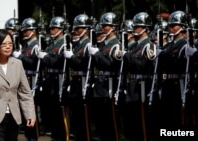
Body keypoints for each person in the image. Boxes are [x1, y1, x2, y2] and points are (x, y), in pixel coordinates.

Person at [87, 12, 122, 141]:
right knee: (101, 123)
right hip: (100, 87)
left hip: (109, 87)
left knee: (109, 123)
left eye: (106, 25)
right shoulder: (103, 45)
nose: (103, 27)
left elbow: (111, 65)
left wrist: (97, 54)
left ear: (113, 27)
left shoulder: (116, 45)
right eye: (103, 25)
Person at [122, 12, 157, 141]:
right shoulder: (135, 46)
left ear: (145, 29)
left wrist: (127, 55)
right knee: (132, 123)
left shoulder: (149, 46)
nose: (134, 29)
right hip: (132, 87)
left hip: (142, 87)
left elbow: (142, 65)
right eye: (134, 26)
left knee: (141, 122)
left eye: (138, 26)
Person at [37, 16, 69, 141]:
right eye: (50, 28)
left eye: (54, 28)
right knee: (53, 115)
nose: (51, 30)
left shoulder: (64, 44)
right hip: (50, 83)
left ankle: (62, 137)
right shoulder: (52, 44)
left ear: (61, 29)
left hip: (59, 82)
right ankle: (56, 137)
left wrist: (45, 58)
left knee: (61, 116)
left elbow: (58, 62)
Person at [63, 13, 92, 141]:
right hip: (74, 83)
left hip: (83, 83)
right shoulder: (78, 45)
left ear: (85, 29)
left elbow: (85, 64)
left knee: (83, 119)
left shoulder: (88, 45)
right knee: (75, 119)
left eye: (78, 28)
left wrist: (72, 57)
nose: (75, 30)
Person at [18, 17, 40, 141]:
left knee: (32, 110)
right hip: (25, 79)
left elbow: (34, 63)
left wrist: (20, 57)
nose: (24, 33)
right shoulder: (26, 45)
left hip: (32, 80)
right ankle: (29, 136)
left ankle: (33, 136)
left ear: (33, 31)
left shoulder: (36, 46)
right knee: (25, 111)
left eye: (27, 31)